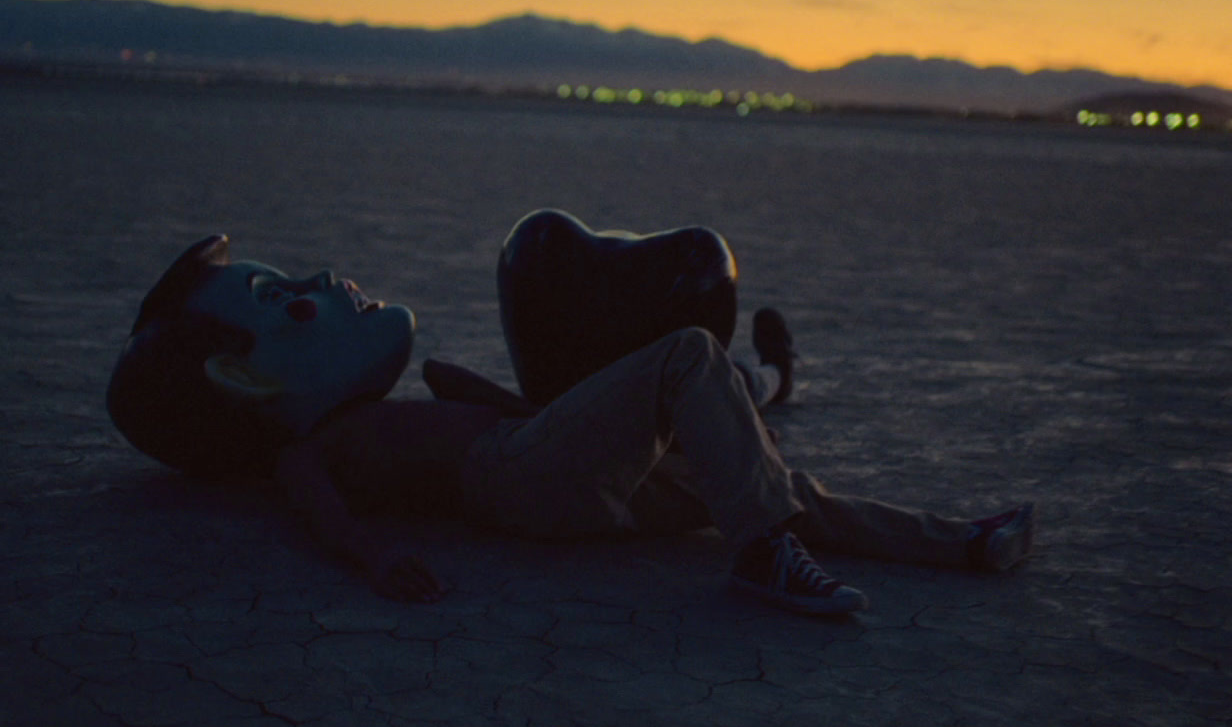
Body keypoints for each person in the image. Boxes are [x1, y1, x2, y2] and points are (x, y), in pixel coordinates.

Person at [107, 235, 1035, 615]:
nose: (322, 284)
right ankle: (761, 554)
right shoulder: (311, 449)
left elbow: (537, 415)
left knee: (783, 487)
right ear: (242, 380)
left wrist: (655, 428)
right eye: (283, 301)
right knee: (688, 356)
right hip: (512, 484)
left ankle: (960, 544)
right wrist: (377, 564)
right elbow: (321, 516)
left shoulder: (409, 399)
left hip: (551, 473)